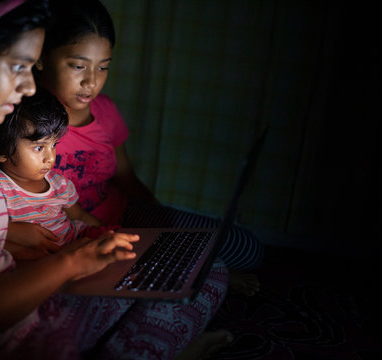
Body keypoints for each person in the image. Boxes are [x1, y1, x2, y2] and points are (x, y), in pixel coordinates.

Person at [0, 0, 230, 359]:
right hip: (6, 337)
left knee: (195, 272)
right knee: (178, 286)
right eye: (18, 66)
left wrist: (67, 257)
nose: (30, 86)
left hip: (23, 305)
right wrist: (69, 264)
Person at [35, 0, 262, 297]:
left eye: (103, 67)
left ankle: (191, 265)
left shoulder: (105, 112)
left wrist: (163, 224)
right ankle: (203, 273)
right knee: (168, 271)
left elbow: (126, 177)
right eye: (78, 66)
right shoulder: (25, 123)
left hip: (124, 213)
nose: (91, 82)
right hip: (75, 233)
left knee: (247, 249)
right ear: (41, 57)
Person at [0, 87, 119, 256]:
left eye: (53, 145)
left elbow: (80, 216)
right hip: (46, 260)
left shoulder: (59, 184)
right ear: (0, 151)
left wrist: (106, 233)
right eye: (39, 147)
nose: (50, 158)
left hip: (78, 243)